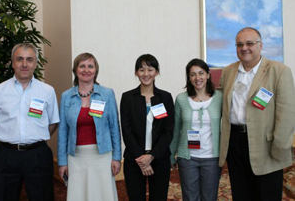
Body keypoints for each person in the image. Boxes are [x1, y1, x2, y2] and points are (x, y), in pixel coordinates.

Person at [219, 27, 295, 201]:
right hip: (235, 143)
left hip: (266, 145)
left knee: (266, 194)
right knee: (241, 193)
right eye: (239, 44)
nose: (244, 48)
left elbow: (287, 113)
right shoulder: (228, 71)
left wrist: (279, 147)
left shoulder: (279, 71)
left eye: (249, 43)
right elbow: (218, 101)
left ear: (260, 46)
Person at [0, 43, 60, 201]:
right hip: (6, 155)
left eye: (29, 59)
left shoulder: (47, 91)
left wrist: (34, 138)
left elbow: (53, 123)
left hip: (38, 154)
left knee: (42, 196)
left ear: (35, 63)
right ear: (12, 62)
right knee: (4, 196)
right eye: (20, 59)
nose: (24, 64)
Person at [57, 52, 121, 201]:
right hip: (76, 156)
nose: (86, 70)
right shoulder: (66, 96)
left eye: (90, 66)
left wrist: (116, 157)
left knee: (102, 195)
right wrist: (62, 162)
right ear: (75, 70)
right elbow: (62, 132)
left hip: (102, 156)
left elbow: (115, 128)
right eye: (82, 66)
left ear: (96, 70)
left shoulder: (107, 94)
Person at [120, 54, 174, 201]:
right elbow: (126, 130)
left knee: (159, 197)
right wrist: (141, 159)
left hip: (160, 158)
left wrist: (151, 156)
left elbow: (169, 131)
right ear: (136, 72)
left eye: (150, 69)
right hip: (134, 158)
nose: (146, 74)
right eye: (141, 69)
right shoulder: (128, 98)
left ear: (157, 72)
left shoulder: (165, 97)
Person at [170, 59, 222, 201]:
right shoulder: (181, 99)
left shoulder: (219, 98)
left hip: (212, 157)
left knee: (209, 197)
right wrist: (171, 153)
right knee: (190, 197)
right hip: (187, 158)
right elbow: (176, 129)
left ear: (208, 75)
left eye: (201, 73)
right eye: (192, 74)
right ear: (189, 77)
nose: (197, 78)